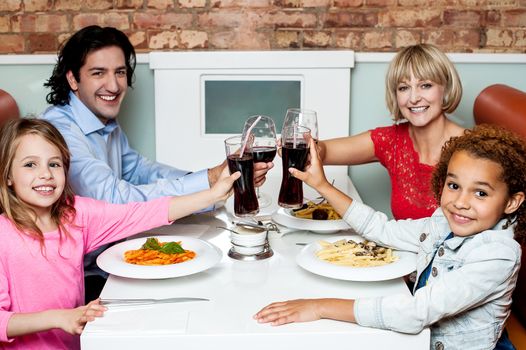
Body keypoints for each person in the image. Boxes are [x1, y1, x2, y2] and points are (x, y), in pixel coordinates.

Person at [40, 25, 272, 300]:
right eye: (98, 73)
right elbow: (112, 199)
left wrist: (206, 179)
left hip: (112, 255)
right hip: (82, 276)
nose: (113, 86)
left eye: (120, 72)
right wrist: (208, 184)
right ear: (73, 79)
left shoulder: (99, 118)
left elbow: (137, 169)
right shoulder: (60, 132)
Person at [254, 125, 526, 350]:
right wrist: (322, 185)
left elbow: (416, 312)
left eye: (480, 193)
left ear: (512, 202)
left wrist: (320, 307)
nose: (461, 202)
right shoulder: (443, 221)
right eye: (454, 186)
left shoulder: (498, 252)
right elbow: (382, 229)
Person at [0, 118, 239, 349]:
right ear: (8, 175)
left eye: (54, 164)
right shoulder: (3, 235)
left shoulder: (76, 215)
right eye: (30, 164)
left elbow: (140, 213)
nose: (45, 174)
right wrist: (60, 318)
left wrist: (212, 195)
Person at [318, 43, 465, 220]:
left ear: (446, 88)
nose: (414, 98)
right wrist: (303, 147)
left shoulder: (471, 148)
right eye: (404, 88)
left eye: (425, 85)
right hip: (400, 247)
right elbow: (324, 151)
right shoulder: (392, 140)